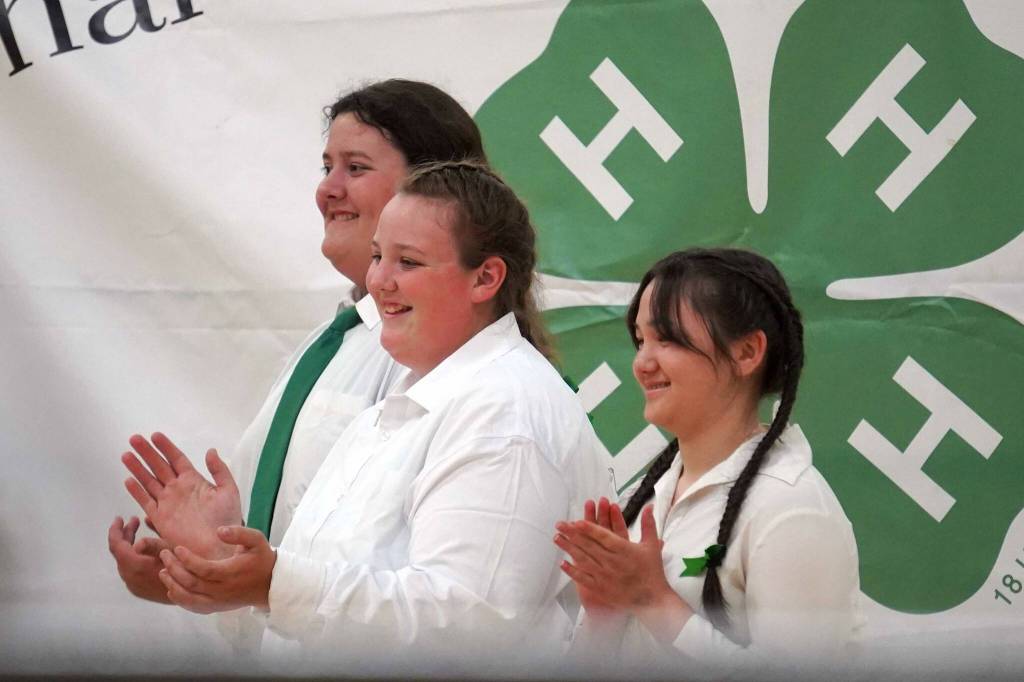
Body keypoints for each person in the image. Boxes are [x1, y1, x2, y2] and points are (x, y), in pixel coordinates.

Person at [121, 161, 610, 667]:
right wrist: (228, 565)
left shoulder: (505, 411)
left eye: (409, 262)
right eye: (378, 256)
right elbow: (326, 617)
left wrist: (274, 584)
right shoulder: (409, 402)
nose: (379, 281)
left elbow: (468, 627)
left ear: (485, 277)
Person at [108, 80, 488, 601]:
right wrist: (203, 565)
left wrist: (244, 578)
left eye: (355, 168)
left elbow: (433, 596)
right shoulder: (329, 343)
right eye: (326, 166)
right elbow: (297, 561)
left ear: (431, 191)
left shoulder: (442, 356)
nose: (327, 190)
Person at [554, 248, 861, 672]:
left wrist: (652, 601)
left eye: (667, 338)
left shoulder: (793, 507)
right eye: (640, 340)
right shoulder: (646, 498)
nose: (643, 362)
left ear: (748, 352)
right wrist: (605, 617)